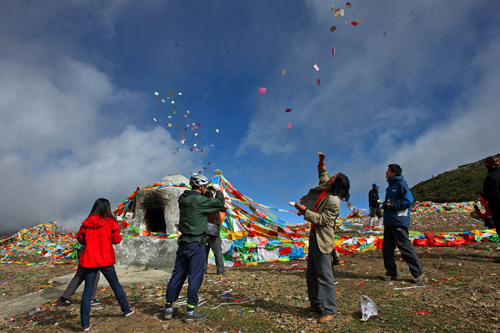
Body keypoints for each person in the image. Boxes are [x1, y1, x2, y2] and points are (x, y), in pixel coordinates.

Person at [294, 151, 350, 324]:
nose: (329, 177)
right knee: (311, 272)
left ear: (336, 184)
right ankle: (317, 303)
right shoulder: (326, 189)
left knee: (325, 275)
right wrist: (321, 162)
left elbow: (324, 221)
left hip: (322, 240)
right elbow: (323, 175)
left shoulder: (334, 201)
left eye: (333, 177)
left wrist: (305, 212)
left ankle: (331, 309)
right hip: (313, 237)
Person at [164, 174, 225, 323]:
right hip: (196, 244)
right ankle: (190, 311)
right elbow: (219, 204)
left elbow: (191, 197)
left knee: (177, 275)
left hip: (183, 242)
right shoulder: (200, 200)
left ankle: (168, 309)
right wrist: (217, 191)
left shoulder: (183, 199)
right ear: (202, 187)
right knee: (195, 276)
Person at [76, 198, 134, 332]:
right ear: (107, 208)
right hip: (105, 258)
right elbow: (117, 239)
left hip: (90, 258)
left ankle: (85, 324)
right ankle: (126, 310)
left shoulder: (87, 222)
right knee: (115, 285)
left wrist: (90, 241)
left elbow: (80, 238)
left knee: (88, 291)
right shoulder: (110, 222)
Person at [381, 164, 425, 284]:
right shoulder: (390, 186)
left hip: (399, 221)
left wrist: (392, 206)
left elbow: (408, 200)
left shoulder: (401, 184)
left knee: (404, 247)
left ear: (394, 173)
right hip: (389, 221)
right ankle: (391, 273)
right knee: (387, 248)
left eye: (388, 170)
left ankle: (418, 273)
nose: (386, 172)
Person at [203, 186, 227, 275]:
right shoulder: (213, 203)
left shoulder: (201, 203)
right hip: (213, 231)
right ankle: (220, 270)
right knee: (217, 251)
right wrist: (217, 191)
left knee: (204, 251)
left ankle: (203, 270)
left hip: (203, 231)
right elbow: (222, 207)